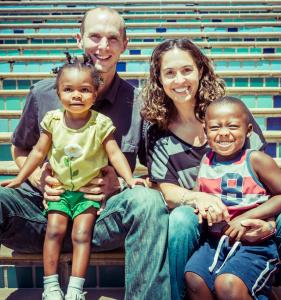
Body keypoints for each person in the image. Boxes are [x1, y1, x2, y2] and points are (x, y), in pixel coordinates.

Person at [0, 7, 171, 300]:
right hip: (41, 215)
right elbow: (21, 148)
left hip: (100, 218)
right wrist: (39, 177)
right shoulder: (43, 93)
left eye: (112, 38)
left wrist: (119, 182)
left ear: (124, 44)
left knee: (147, 200)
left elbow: (157, 174)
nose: (103, 47)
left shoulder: (139, 102)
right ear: (79, 39)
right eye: (94, 36)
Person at [141, 38, 281, 300]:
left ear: (200, 70)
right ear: (159, 79)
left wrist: (269, 222)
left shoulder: (229, 113)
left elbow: (261, 179)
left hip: (249, 214)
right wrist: (198, 198)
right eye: (169, 73)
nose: (179, 80)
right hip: (200, 222)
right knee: (181, 220)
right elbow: (165, 188)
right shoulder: (157, 131)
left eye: (186, 70)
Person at [184, 96, 281, 300]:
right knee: (194, 279)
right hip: (214, 243)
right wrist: (202, 205)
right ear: (205, 131)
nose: (224, 133)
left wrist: (245, 218)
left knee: (228, 285)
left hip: (254, 244)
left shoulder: (256, 160)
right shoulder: (206, 161)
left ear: (248, 130)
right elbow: (198, 194)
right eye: (215, 127)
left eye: (233, 126)